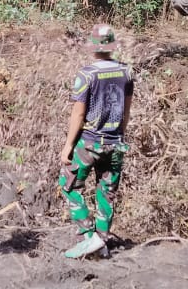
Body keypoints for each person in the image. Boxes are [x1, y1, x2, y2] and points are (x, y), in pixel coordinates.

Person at [58, 23, 133, 259]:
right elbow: (126, 111)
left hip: (90, 142)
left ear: (93, 47)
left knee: (68, 185)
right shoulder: (126, 72)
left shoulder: (87, 74)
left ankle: (88, 236)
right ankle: (102, 241)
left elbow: (78, 114)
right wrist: (119, 135)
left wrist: (69, 145)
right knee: (107, 191)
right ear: (112, 46)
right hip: (116, 142)